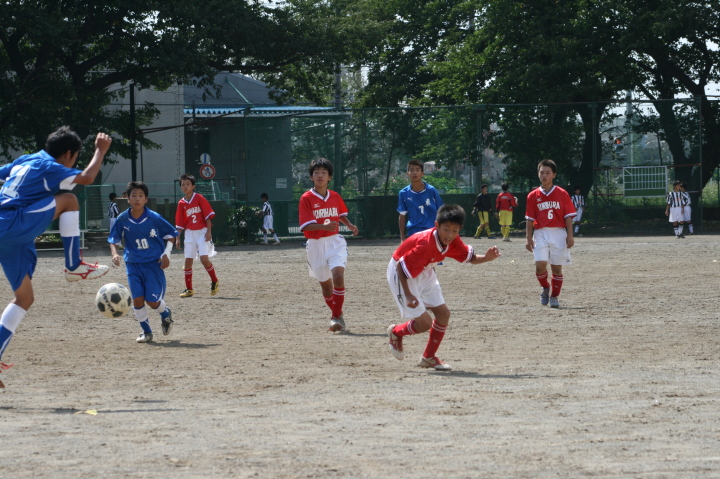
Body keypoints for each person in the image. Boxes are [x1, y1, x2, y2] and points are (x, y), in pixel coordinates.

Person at [0, 127, 112, 387]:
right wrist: (100, 150)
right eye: (75, 157)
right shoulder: (51, 166)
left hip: (8, 233)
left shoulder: (26, 159)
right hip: (13, 224)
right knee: (69, 200)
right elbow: (87, 177)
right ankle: (73, 265)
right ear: (69, 154)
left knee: (25, 298)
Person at [386, 204, 501, 371]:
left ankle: (428, 357)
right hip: (402, 273)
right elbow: (401, 268)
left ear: (460, 229)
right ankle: (396, 332)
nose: (450, 235)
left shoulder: (453, 241)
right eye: (446, 229)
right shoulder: (425, 244)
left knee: (443, 314)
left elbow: (470, 258)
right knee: (424, 324)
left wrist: (487, 258)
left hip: (424, 269)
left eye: (455, 230)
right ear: (437, 225)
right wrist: (409, 295)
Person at [109, 181, 179, 343]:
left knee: (152, 301)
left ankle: (165, 314)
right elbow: (114, 239)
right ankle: (146, 332)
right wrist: (114, 253)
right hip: (133, 264)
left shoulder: (154, 218)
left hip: (153, 264)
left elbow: (171, 234)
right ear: (127, 198)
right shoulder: (123, 219)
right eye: (133, 195)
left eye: (141, 196)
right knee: (138, 299)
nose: (137, 199)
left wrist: (166, 254)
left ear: (146, 199)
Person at [299, 158, 359, 332]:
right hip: (315, 245)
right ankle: (338, 313)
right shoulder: (306, 198)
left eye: (324, 172)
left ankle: (335, 317)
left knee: (338, 276)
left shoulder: (335, 196)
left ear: (329, 177)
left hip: (335, 242)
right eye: (316, 172)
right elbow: (305, 226)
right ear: (311, 177)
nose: (320, 175)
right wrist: (323, 226)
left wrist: (349, 224)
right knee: (326, 288)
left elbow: (340, 214)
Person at [525, 159, 576, 309]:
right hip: (540, 233)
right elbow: (529, 219)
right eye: (542, 173)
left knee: (556, 268)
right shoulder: (532, 195)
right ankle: (545, 287)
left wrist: (570, 235)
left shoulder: (562, 193)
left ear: (554, 175)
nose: (544, 176)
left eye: (548, 173)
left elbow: (568, 217)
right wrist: (528, 238)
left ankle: (554, 296)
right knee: (540, 266)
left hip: (558, 233)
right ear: (538, 174)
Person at [175, 174, 219, 297]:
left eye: (188, 184)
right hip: (189, 233)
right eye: (183, 184)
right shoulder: (181, 203)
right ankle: (189, 289)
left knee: (204, 259)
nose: (185, 186)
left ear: (193, 186)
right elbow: (180, 222)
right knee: (188, 261)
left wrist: (209, 232)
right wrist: (178, 237)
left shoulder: (199, 198)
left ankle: (214, 280)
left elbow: (208, 216)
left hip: (202, 232)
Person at [397, 159, 444, 242]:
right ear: (407, 173)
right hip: (413, 231)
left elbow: (441, 210)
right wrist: (402, 238)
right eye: (412, 170)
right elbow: (402, 215)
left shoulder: (431, 190)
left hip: (431, 230)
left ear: (422, 173)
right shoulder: (403, 193)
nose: (414, 173)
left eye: (417, 170)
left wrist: (441, 231)